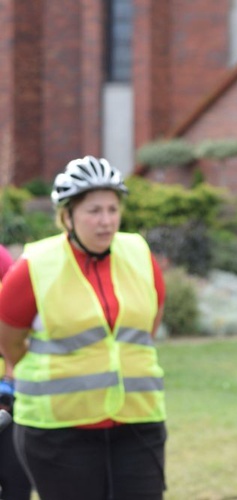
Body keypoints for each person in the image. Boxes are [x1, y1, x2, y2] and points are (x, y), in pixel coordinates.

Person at [0, 156, 168, 500]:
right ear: (67, 216)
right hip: (58, 432)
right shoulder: (36, 264)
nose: (105, 221)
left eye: (112, 209)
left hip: (137, 424)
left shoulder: (138, 252)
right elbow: (9, 340)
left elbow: (148, 324)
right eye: (93, 211)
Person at [0, 244, 33, 500]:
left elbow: (16, 337)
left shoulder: (2, 259)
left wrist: (10, 381)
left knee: (17, 481)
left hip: (9, 406)